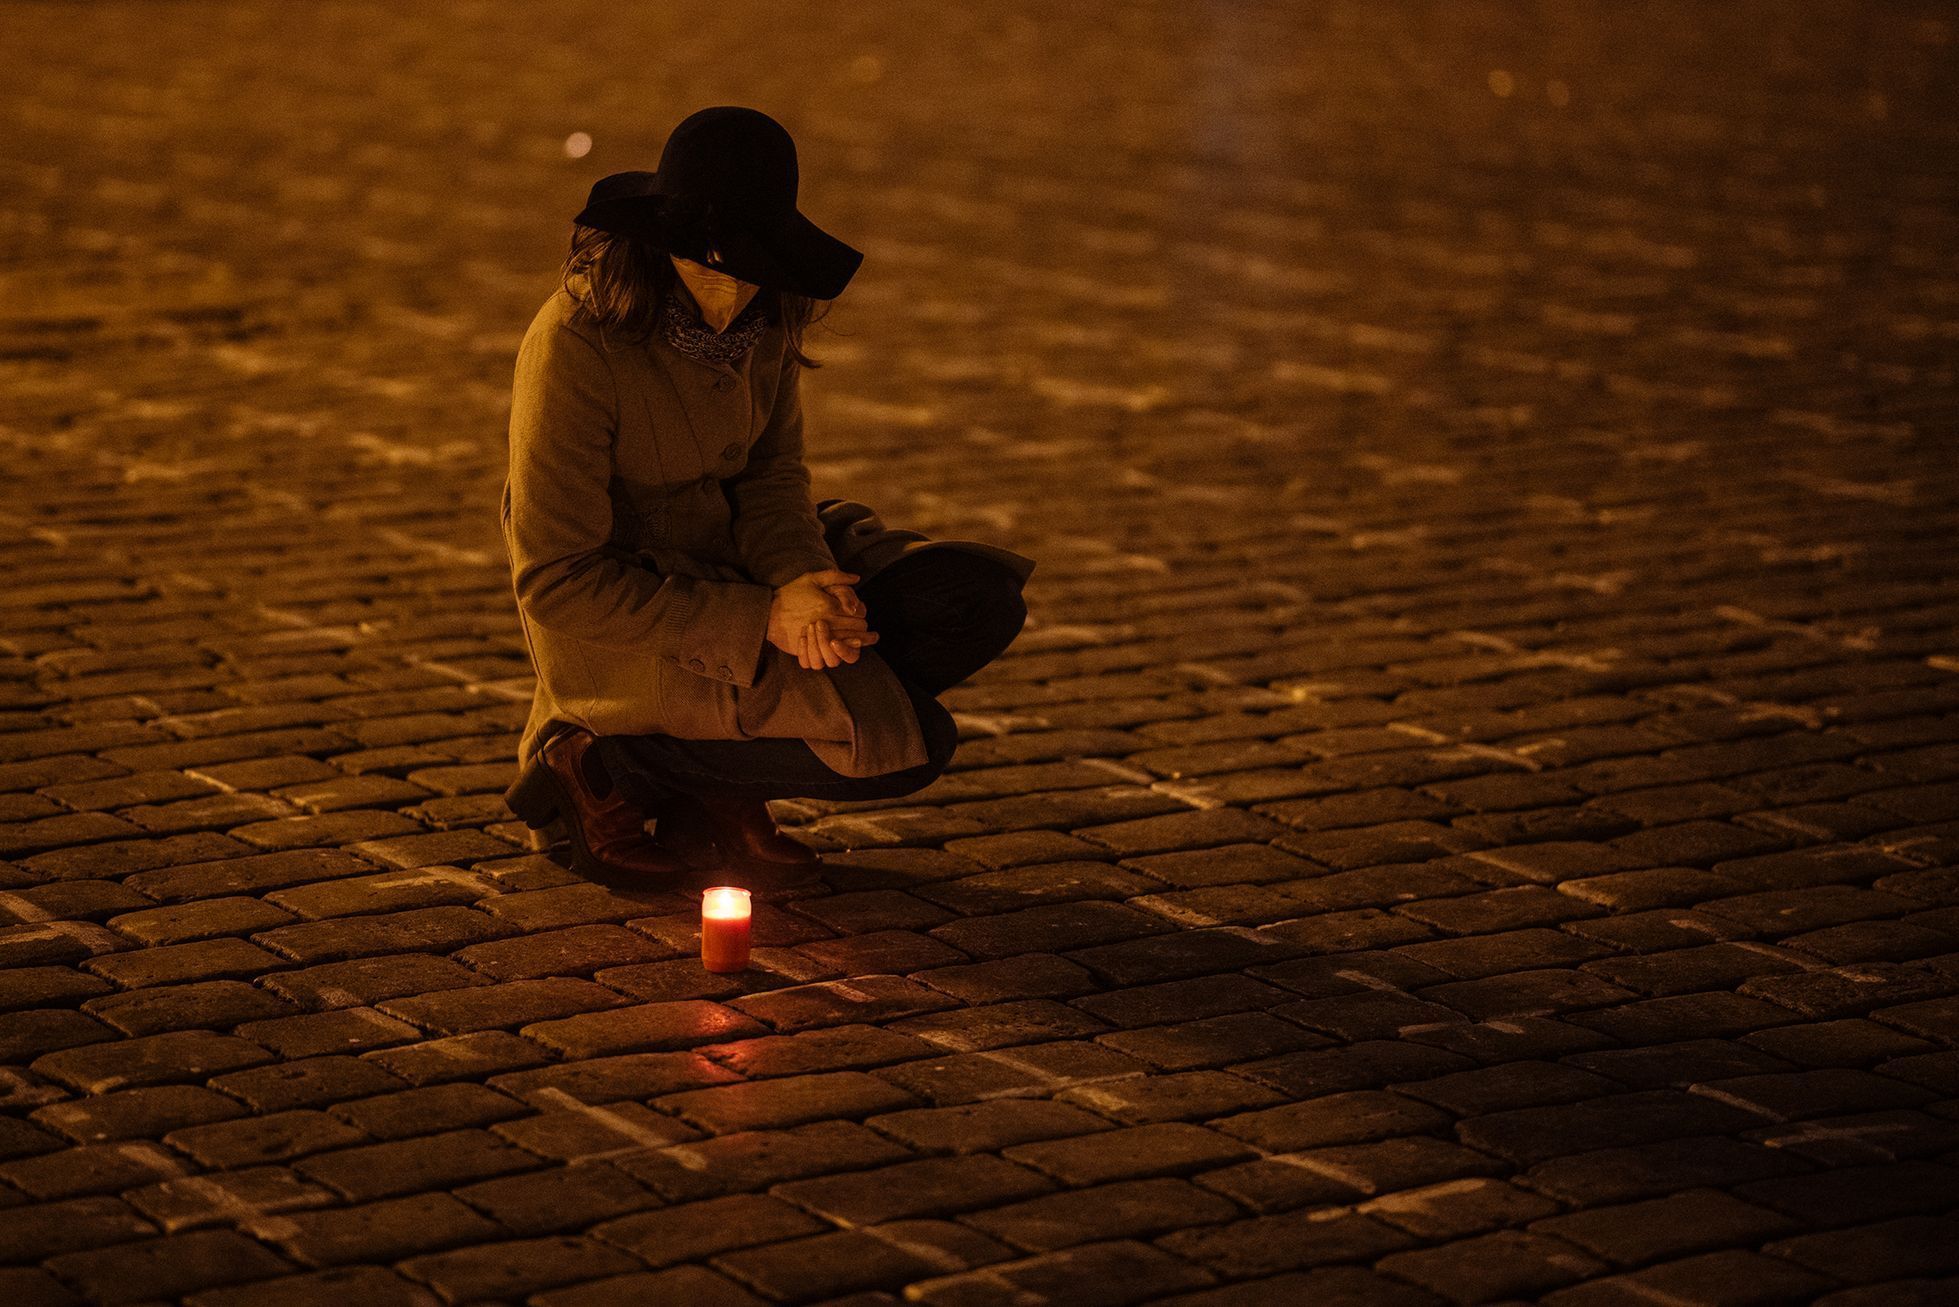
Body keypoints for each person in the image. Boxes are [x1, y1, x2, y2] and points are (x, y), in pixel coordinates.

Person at [500, 106, 1032, 879]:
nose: (731, 297)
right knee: (905, 745)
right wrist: (763, 618)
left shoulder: (765, 317)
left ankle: (713, 785)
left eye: (749, 269)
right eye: (709, 266)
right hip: (632, 619)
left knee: (971, 600)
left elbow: (772, 476)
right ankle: (598, 766)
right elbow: (558, 580)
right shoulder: (575, 345)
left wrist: (804, 579)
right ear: (659, 248)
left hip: (741, 566)